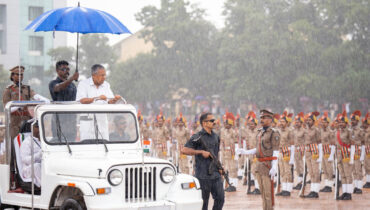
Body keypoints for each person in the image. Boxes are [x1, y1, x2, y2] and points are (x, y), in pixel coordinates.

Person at [237, 109, 280, 210]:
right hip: (259, 165)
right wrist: (245, 152)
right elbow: (258, 148)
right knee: (263, 193)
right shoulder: (260, 132)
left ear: (270, 119)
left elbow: (276, 151)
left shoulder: (274, 133)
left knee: (268, 193)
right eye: (261, 117)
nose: (262, 119)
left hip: (268, 165)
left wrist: (274, 166)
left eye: (264, 117)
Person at [181, 113, 224, 210]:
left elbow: (216, 154)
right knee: (204, 203)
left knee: (220, 199)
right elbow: (184, 150)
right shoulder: (197, 136)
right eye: (211, 120)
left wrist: (220, 167)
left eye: (214, 120)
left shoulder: (216, 136)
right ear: (204, 123)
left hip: (215, 174)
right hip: (202, 174)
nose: (214, 122)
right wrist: (200, 152)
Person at [3, 66, 50, 140]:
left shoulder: (27, 88)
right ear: (12, 76)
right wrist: (19, 106)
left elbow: (34, 95)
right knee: (15, 146)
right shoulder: (8, 90)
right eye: (17, 74)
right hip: (14, 123)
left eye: (21, 75)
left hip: (26, 121)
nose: (20, 76)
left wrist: (43, 99)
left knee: (27, 143)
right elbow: (6, 108)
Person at [335, 111, 354, 200]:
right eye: (340, 122)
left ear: (346, 123)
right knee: (342, 175)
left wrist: (352, 158)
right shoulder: (337, 132)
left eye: (343, 122)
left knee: (348, 174)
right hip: (339, 154)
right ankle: (345, 192)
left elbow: (353, 144)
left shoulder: (349, 132)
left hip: (346, 154)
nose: (341, 124)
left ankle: (349, 193)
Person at [276, 112, 294, 197]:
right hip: (280, 152)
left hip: (287, 152)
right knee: (282, 172)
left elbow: (293, 145)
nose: (281, 123)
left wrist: (292, 158)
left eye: (283, 122)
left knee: (287, 172)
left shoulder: (290, 131)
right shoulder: (278, 131)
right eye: (280, 121)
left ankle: (288, 189)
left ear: (287, 123)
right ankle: (284, 189)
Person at [19, 120, 42, 190]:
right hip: (28, 169)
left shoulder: (44, 140)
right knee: (37, 166)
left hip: (42, 165)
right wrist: (38, 155)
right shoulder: (26, 142)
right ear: (32, 128)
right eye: (37, 127)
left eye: (40, 127)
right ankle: (43, 186)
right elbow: (25, 160)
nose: (39, 129)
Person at [220, 112, 238, 192]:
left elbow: (236, 143)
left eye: (226, 123)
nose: (225, 125)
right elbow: (222, 142)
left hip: (232, 152)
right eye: (224, 123)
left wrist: (236, 154)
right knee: (226, 168)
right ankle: (228, 184)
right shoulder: (222, 131)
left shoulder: (233, 132)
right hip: (225, 152)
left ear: (230, 124)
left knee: (232, 169)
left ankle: (233, 185)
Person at [319, 112, 335, 192]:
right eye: (322, 122)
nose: (322, 123)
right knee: (324, 169)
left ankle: (329, 186)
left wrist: (332, 155)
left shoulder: (330, 132)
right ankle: (326, 185)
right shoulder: (321, 131)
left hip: (328, 152)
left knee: (329, 169)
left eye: (324, 122)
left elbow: (333, 144)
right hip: (322, 152)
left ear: (328, 123)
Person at [350, 110, 365, 194]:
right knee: (353, 170)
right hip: (350, 151)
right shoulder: (349, 130)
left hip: (357, 151)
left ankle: (359, 187)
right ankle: (355, 186)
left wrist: (362, 155)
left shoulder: (360, 130)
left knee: (358, 169)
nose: (352, 121)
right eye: (351, 120)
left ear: (357, 121)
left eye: (354, 120)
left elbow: (363, 143)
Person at [292, 112, 305, 190]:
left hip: (301, 149)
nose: (296, 123)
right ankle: (299, 181)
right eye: (295, 122)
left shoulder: (304, 131)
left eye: (298, 122)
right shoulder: (294, 130)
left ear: (301, 123)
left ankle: (302, 182)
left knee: (301, 166)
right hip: (295, 150)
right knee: (297, 167)